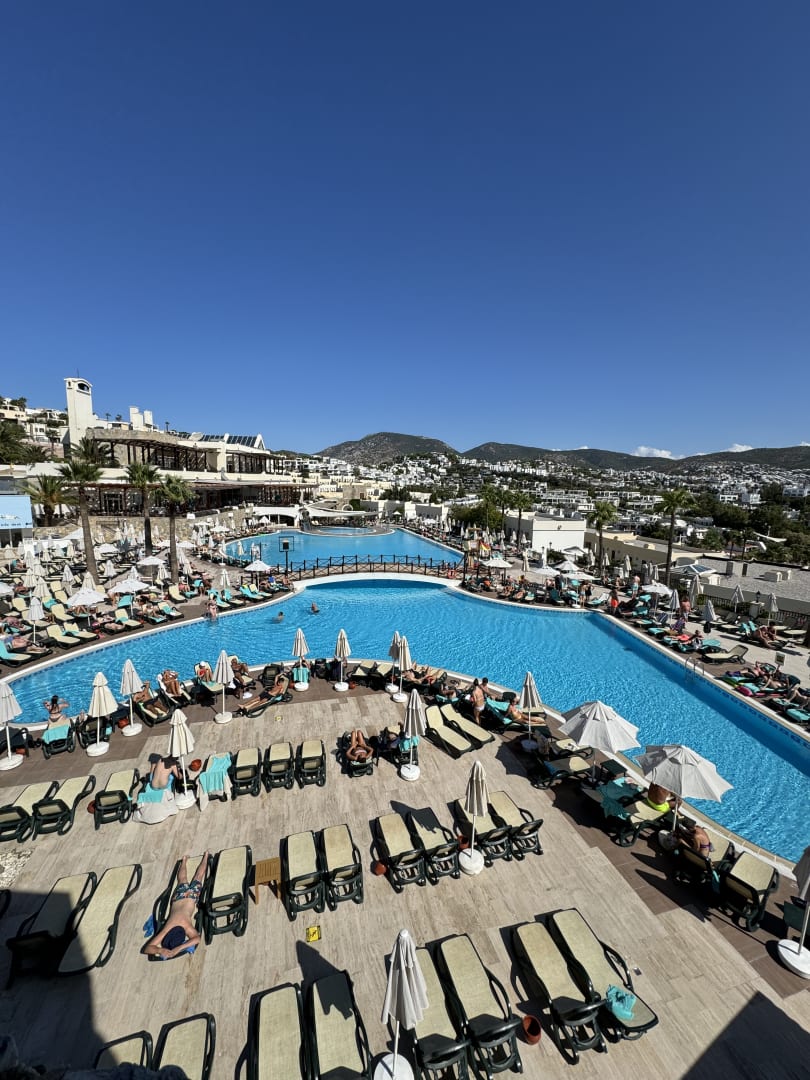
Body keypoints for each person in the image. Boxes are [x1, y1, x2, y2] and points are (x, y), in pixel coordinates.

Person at [142, 853, 209, 959]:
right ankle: (184, 860)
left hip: (191, 897)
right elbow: (147, 948)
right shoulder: (167, 929)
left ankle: (206, 856)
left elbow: (197, 939)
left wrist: (179, 948)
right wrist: (159, 949)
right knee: (182, 879)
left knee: (198, 877)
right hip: (178, 898)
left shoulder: (186, 927)